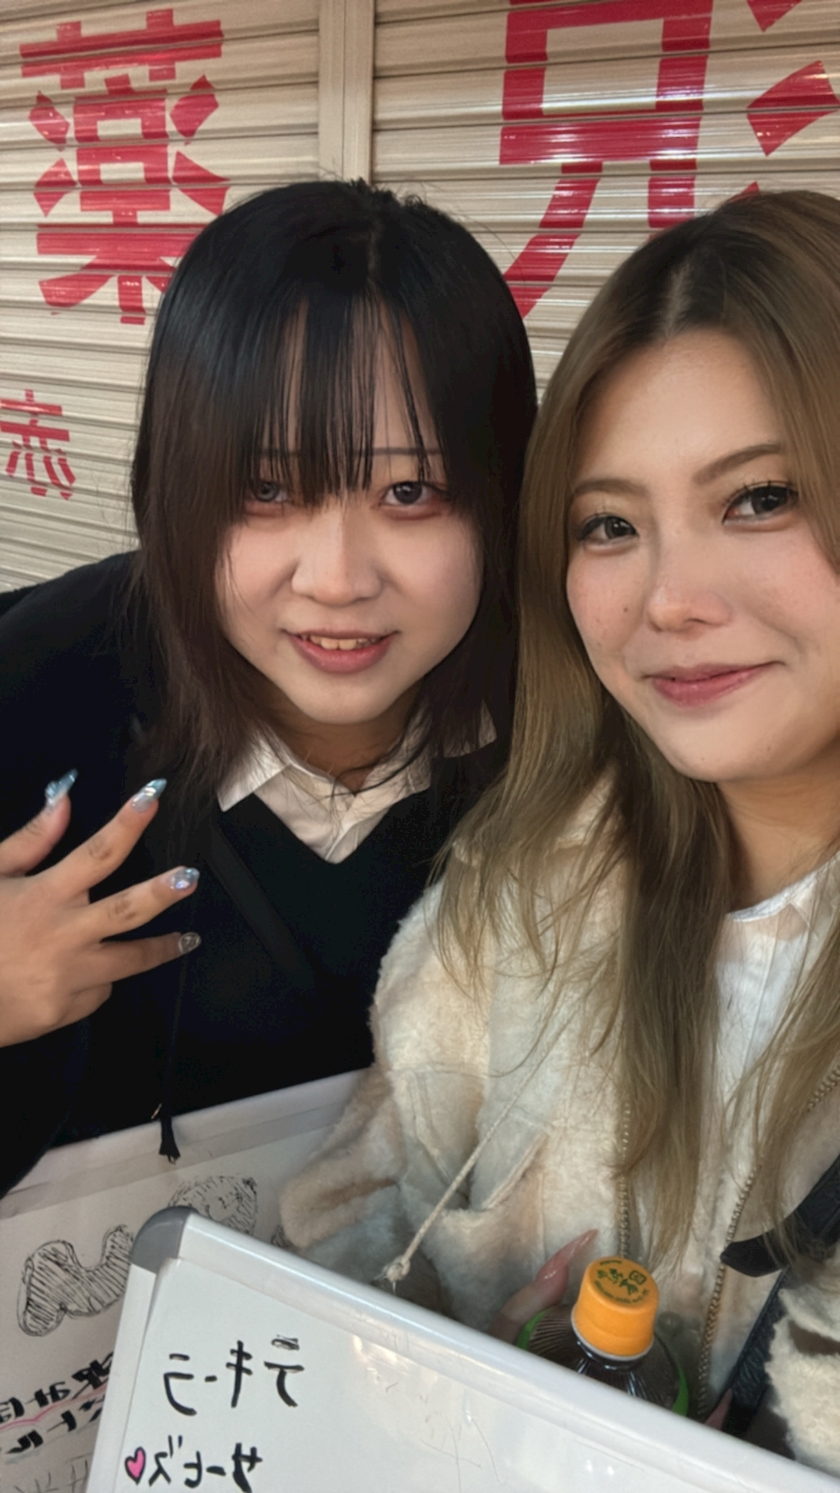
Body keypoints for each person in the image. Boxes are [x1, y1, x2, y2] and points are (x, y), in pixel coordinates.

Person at [280, 189, 840, 1473]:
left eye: (760, 497)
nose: (669, 598)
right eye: (611, 525)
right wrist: (456, 1386)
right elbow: (348, 1219)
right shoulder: (518, 889)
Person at [0, 179, 536, 1196]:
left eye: (410, 491)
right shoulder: (40, 688)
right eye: (266, 488)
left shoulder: (574, 722)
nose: (337, 580)